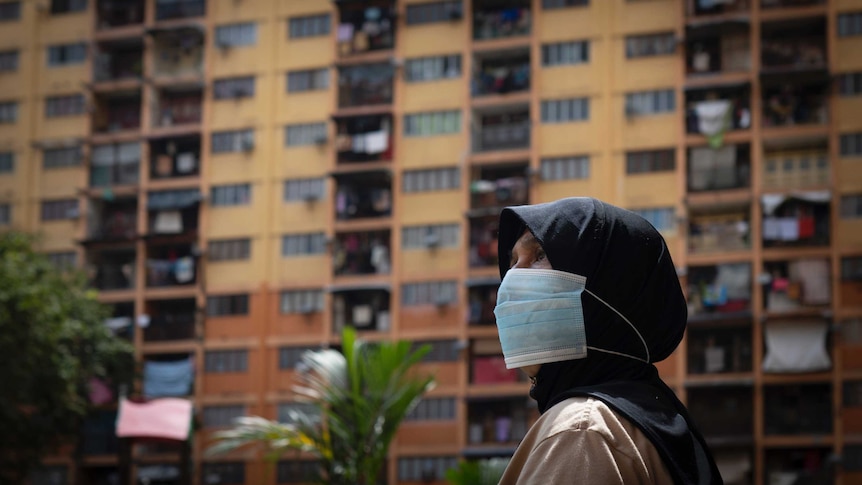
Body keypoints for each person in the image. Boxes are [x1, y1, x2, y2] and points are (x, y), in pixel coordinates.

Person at [493, 197, 723, 484]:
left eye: (539, 254)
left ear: (611, 288)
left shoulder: (582, 431)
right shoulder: (657, 416)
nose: (511, 278)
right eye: (513, 261)